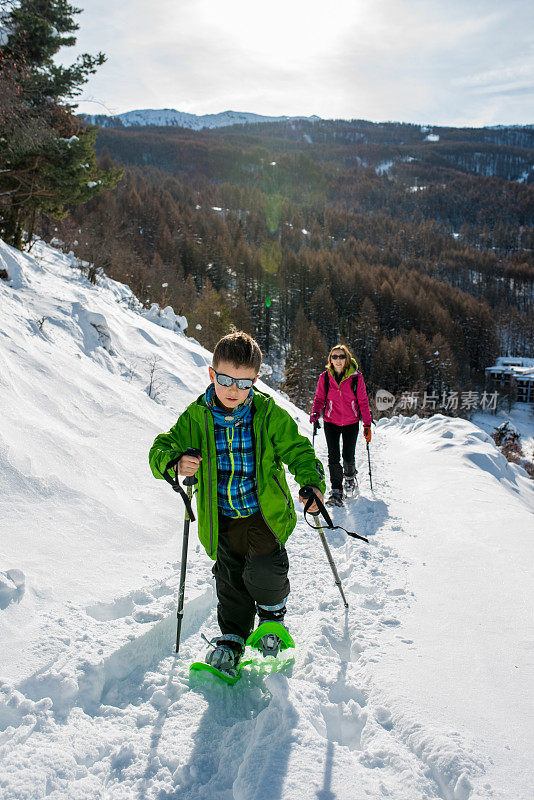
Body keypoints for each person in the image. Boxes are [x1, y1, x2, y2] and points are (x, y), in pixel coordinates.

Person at [149, 330, 325, 676]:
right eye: (226, 379)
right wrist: (174, 461)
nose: (234, 390)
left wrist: (311, 482)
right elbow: (161, 447)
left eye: (244, 383)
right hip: (221, 517)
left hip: (263, 513)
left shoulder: (267, 414)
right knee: (230, 579)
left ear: (255, 380)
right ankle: (232, 638)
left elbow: (298, 450)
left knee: (264, 568)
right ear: (213, 374)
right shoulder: (196, 417)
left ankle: (272, 622)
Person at [310, 344, 372, 506]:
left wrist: (367, 424)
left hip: (351, 422)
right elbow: (319, 399)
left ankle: (350, 478)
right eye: (334, 356)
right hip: (331, 422)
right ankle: (336, 490)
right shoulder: (324, 378)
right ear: (330, 359)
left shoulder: (356, 378)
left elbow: (363, 401)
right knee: (333, 457)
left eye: (341, 356)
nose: (338, 360)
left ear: (347, 359)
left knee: (348, 455)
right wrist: (316, 412)